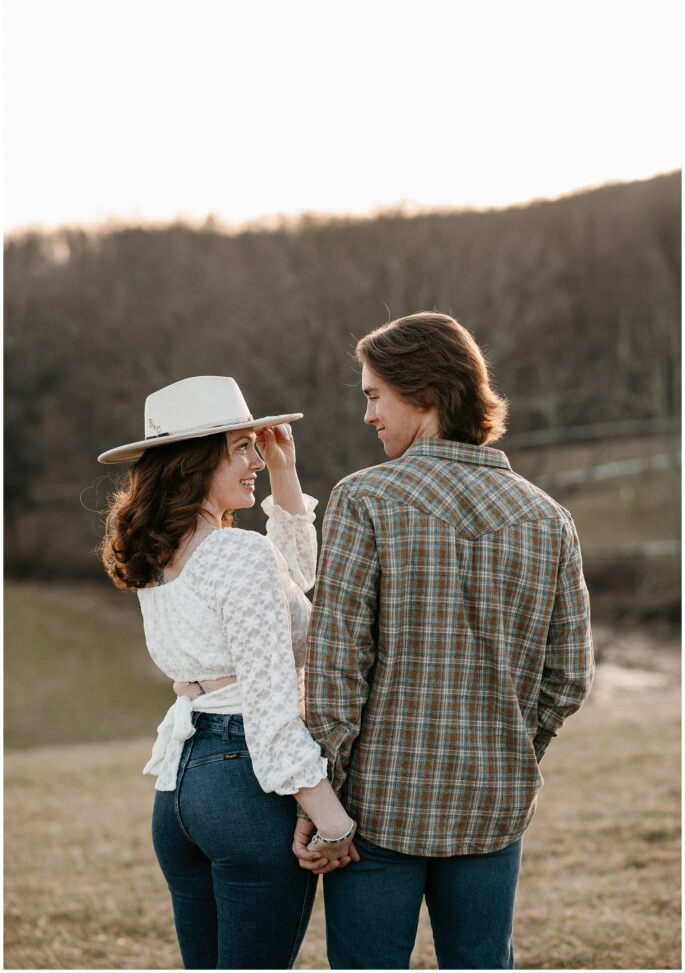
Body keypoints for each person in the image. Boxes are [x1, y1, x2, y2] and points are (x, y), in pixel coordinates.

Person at [293, 312, 594, 970]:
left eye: (375, 395)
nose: (367, 414)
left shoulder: (363, 499)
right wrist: (515, 749)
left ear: (423, 391)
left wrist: (326, 799)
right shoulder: (548, 518)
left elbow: (337, 667)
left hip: (376, 807)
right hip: (494, 802)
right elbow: (569, 677)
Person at [98, 375, 358, 971]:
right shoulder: (234, 553)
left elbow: (290, 583)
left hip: (180, 792)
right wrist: (331, 820)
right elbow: (269, 710)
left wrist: (287, 479)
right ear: (194, 463)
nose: (256, 463)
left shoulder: (162, 555)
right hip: (242, 788)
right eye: (241, 448)